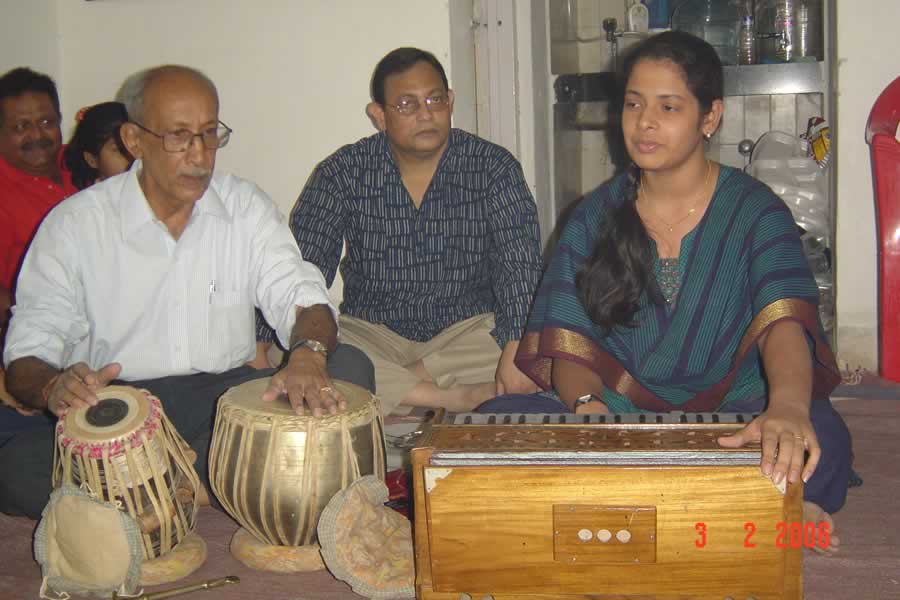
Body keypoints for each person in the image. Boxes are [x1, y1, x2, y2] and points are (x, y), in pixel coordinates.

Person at [480, 31, 850, 555]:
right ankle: (754, 508)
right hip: (616, 412)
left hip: (737, 407)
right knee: (498, 423)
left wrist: (787, 407)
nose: (645, 122)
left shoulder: (756, 210)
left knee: (822, 439)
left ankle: (660, 503)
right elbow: (570, 344)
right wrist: (587, 409)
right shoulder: (592, 217)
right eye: (633, 104)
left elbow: (783, 324)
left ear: (710, 117)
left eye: (668, 107)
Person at [0, 65, 374, 519]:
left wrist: (309, 353)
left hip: (222, 402)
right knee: (15, 468)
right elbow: (26, 353)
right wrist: (55, 384)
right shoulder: (75, 224)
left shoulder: (243, 206)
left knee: (350, 367)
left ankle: (150, 488)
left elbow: (301, 293)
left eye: (209, 133)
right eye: (178, 136)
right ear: (134, 140)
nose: (199, 155)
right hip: (114, 407)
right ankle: (204, 480)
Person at [258, 47, 543, 415]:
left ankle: (390, 389)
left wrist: (516, 347)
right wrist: (261, 347)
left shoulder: (493, 167)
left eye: (435, 100)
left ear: (450, 101)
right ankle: (448, 398)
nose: (426, 114)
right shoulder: (343, 172)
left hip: (468, 333)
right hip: (373, 332)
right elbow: (302, 269)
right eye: (407, 105)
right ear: (379, 115)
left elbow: (519, 265)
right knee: (295, 353)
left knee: (539, 349)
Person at [0, 67, 77, 441]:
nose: (37, 135)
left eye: (46, 121)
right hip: (37, 340)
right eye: (21, 127)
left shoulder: (80, 163)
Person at [63, 101, 133, 190]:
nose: (133, 155)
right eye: (120, 149)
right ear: (92, 160)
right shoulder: (89, 202)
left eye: (137, 145)